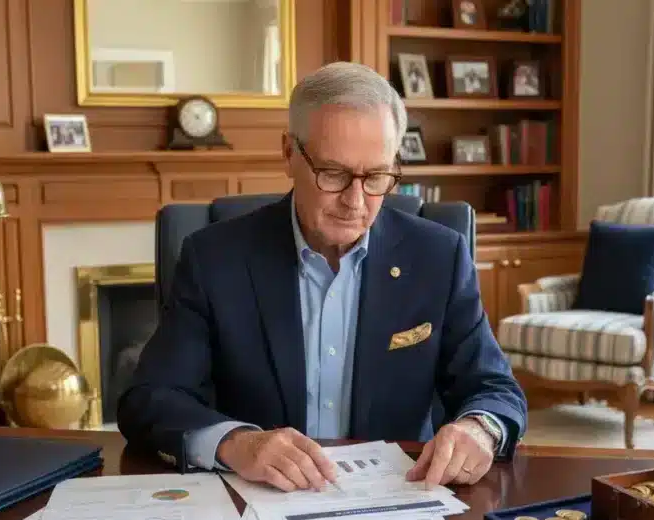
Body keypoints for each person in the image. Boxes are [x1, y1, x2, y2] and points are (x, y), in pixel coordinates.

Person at [117, 61, 527, 492]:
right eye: (333, 173)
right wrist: (236, 443)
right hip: (256, 503)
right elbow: (151, 400)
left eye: (376, 177)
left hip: (396, 502)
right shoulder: (215, 258)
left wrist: (480, 429)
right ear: (289, 154)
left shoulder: (438, 257)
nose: (356, 201)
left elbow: (494, 387)